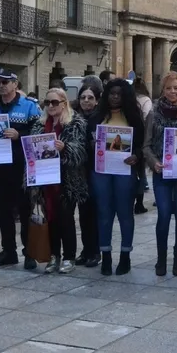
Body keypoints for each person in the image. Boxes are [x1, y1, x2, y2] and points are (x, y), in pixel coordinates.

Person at [0, 69, 42, 269]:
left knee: (25, 211)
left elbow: (39, 132)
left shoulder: (29, 107)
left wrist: (20, 134)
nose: (1, 86)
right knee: (3, 212)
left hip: (22, 167)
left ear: (15, 84)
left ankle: (29, 253)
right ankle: (8, 251)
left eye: (5, 82)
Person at [143, 71, 177, 276]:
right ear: (162, 90)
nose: (172, 92)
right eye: (168, 88)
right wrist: (154, 162)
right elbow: (145, 146)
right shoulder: (153, 113)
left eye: (176, 88)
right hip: (162, 173)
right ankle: (161, 259)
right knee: (164, 215)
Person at [30, 88, 88, 274]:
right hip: (46, 179)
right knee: (51, 218)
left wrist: (65, 148)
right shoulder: (39, 125)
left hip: (67, 180)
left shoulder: (75, 123)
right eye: (47, 103)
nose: (51, 106)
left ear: (64, 103)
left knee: (65, 218)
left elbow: (81, 151)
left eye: (55, 102)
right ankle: (54, 255)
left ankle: (69, 256)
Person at [93, 79, 145, 276]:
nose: (115, 97)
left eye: (119, 94)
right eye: (111, 93)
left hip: (125, 171)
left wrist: (137, 156)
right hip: (101, 172)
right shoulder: (98, 116)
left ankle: (125, 256)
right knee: (104, 214)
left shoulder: (133, 117)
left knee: (125, 214)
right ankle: (105, 255)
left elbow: (141, 144)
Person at [74, 79, 104, 268]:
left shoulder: (101, 118)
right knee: (84, 213)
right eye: (83, 97)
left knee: (96, 213)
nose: (86, 101)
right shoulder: (75, 118)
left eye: (90, 97)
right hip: (79, 171)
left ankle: (96, 251)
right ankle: (86, 250)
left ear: (97, 100)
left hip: (97, 170)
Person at [134, 78, 153, 214]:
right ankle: (139, 203)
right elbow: (147, 117)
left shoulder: (130, 99)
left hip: (131, 137)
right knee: (140, 171)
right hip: (142, 138)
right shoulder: (146, 100)